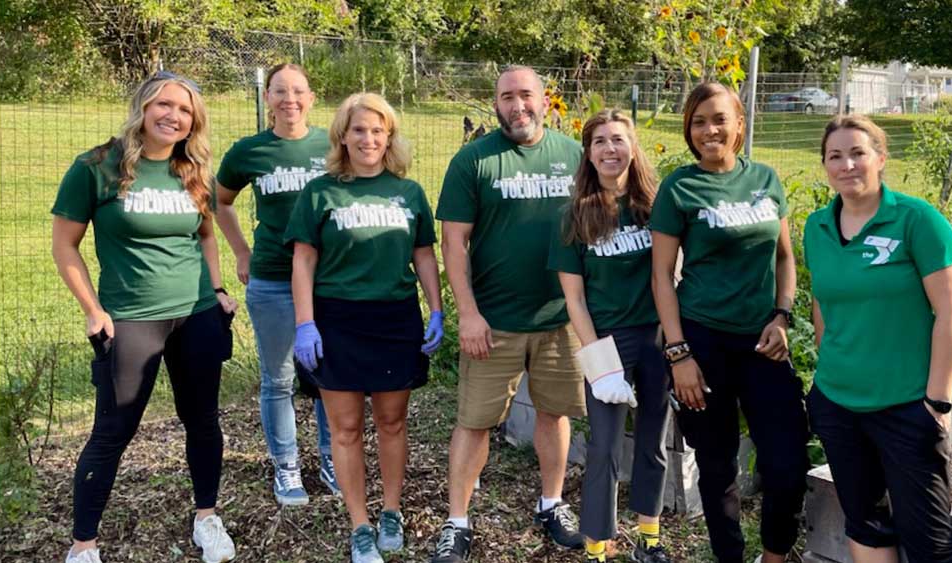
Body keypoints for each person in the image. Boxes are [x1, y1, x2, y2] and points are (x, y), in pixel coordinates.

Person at [51, 71, 238, 563]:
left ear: (194, 121)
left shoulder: (193, 170)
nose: (173, 116)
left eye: (184, 109)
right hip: (131, 319)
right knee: (112, 432)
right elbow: (64, 246)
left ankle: (207, 518)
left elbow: (205, 235)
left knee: (202, 421)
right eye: (163, 104)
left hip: (196, 314)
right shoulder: (97, 167)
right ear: (142, 106)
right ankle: (84, 545)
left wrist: (218, 289)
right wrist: (93, 310)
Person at [431, 65, 586, 563]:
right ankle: (457, 521)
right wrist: (468, 313)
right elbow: (453, 242)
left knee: (554, 413)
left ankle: (552, 504)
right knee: (474, 422)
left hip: (560, 318)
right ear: (495, 104)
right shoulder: (474, 160)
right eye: (506, 97)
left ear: (545, 99)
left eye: (525, 95)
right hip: (493, 322)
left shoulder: (573, 154)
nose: (517, 106)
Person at [649, 82, 809, 563]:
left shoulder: (765, 178)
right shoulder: (679, 187)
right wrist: (678, 353)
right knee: (717, 468)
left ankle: (774, 556)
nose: (709, 131)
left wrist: (782, 315)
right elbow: (661, 277)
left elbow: (784, 257)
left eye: (719, 119)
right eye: (698, 122)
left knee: (787, 463)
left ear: (739, 123)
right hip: (701, 342)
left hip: (763, 342)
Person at [285, 92, 444, 563]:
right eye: (359, 130)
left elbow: (423, 255)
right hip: (337, 321)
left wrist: (436, 309)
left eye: (378, 130)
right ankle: (359, 524)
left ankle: (391, 510)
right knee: (346, 428)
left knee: (392, 422)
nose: (368, 138)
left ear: (389, 137)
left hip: (395, 318)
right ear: (342, 136)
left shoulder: (408, 192)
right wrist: (305, 323)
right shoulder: (320, 192)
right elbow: (303, 261)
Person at [804, 115, 952, 563]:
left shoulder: (918, 220)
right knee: (866, 524)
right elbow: (823, 303)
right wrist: (827, 373)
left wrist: (938, 402)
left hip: (907, 407)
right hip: (838, 404)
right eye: (835, 156)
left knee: (929, 542)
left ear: (880, 158)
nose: (847, 165)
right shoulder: (817, 227)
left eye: (858, 153)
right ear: (825, 165)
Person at [548, 109, 673, 563]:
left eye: (618, 139)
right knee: (603, 446)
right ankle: (597, 545)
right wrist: (600, 365)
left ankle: (649, 538)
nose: (610, 149)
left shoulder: (656, 207)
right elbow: (575, 300)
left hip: (656, 337)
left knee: (654, 440)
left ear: (632, 147)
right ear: (588, 153)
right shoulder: (573, 217)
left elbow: (671, 274)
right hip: (606, 341)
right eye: (599, 141)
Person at [215, 62, 339, 504]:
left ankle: (334, 459)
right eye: (280, 91)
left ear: (312, 98)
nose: (290, 100)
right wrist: (241, 252)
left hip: (329, 280)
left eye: (298, 91)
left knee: (330, 376)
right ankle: (286, 466)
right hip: (273, 279)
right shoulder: (249, 151)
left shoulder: (332, 145)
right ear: (267, 97)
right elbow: (220, 202)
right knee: (279, 378)